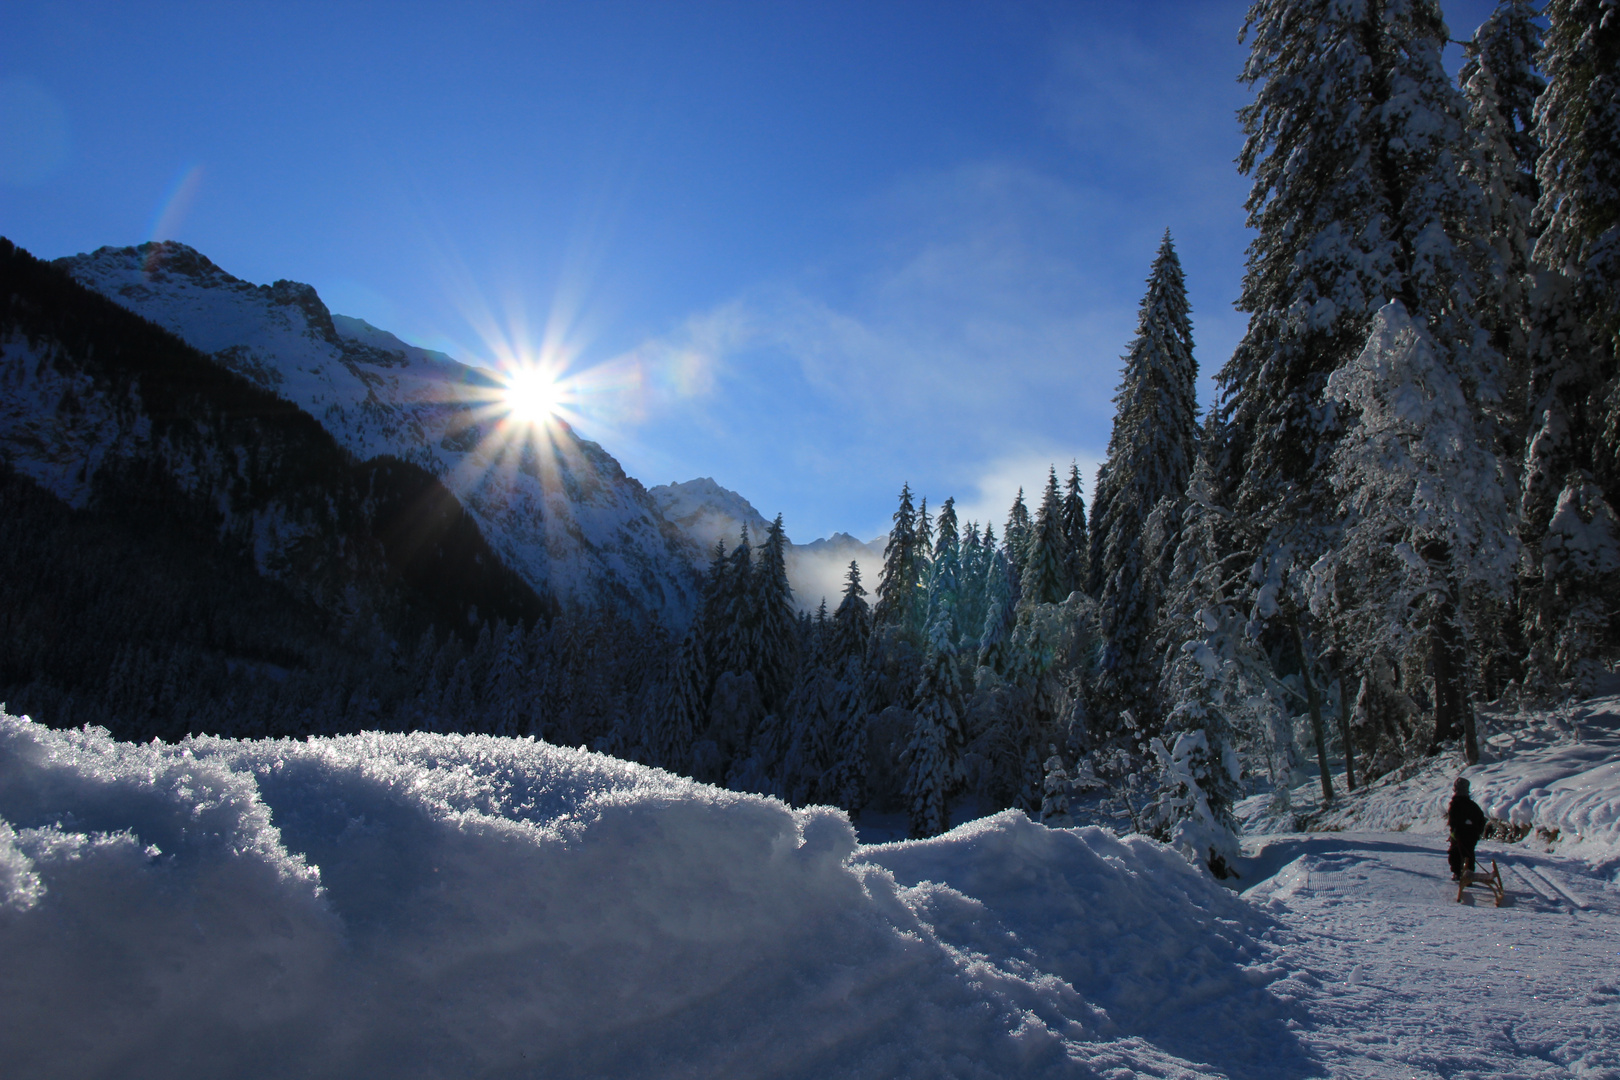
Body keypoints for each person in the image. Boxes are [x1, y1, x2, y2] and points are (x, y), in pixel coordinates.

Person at [1447, 776, 1486, 881]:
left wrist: (1455, 832)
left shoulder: (1455, 804)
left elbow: (1453, 821)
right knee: (1468, 855)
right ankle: (1468, 874)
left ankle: (1458, 873)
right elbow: (1481, 820)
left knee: (1456, 854)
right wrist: (1477, 832)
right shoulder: (1473, 805)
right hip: (1471, 836)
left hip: (1459, 835)